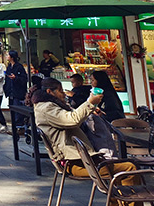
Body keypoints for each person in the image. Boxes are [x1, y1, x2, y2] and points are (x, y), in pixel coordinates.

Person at [32, 77, 140, 206]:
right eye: (60, 91)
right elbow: (71, 119)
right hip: (76, 164)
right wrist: (90, 102)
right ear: (50, 92)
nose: (63, 93)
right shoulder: (46, 108)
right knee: (130, 168)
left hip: (81, 160)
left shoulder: (48, 106)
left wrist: (90, 110)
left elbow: (73, 115)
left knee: (121, 170)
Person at [4, 50, 28, 129]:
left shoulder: (19, 67)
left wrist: (16, 78)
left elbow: (24, 79)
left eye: (8, 55)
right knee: (12, 109)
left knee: (18, 109)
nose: (7, 57)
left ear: (12, 57)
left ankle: (19, 126)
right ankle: (14, 126)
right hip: (11, 91)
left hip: (18, 91)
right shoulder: (9, 66)